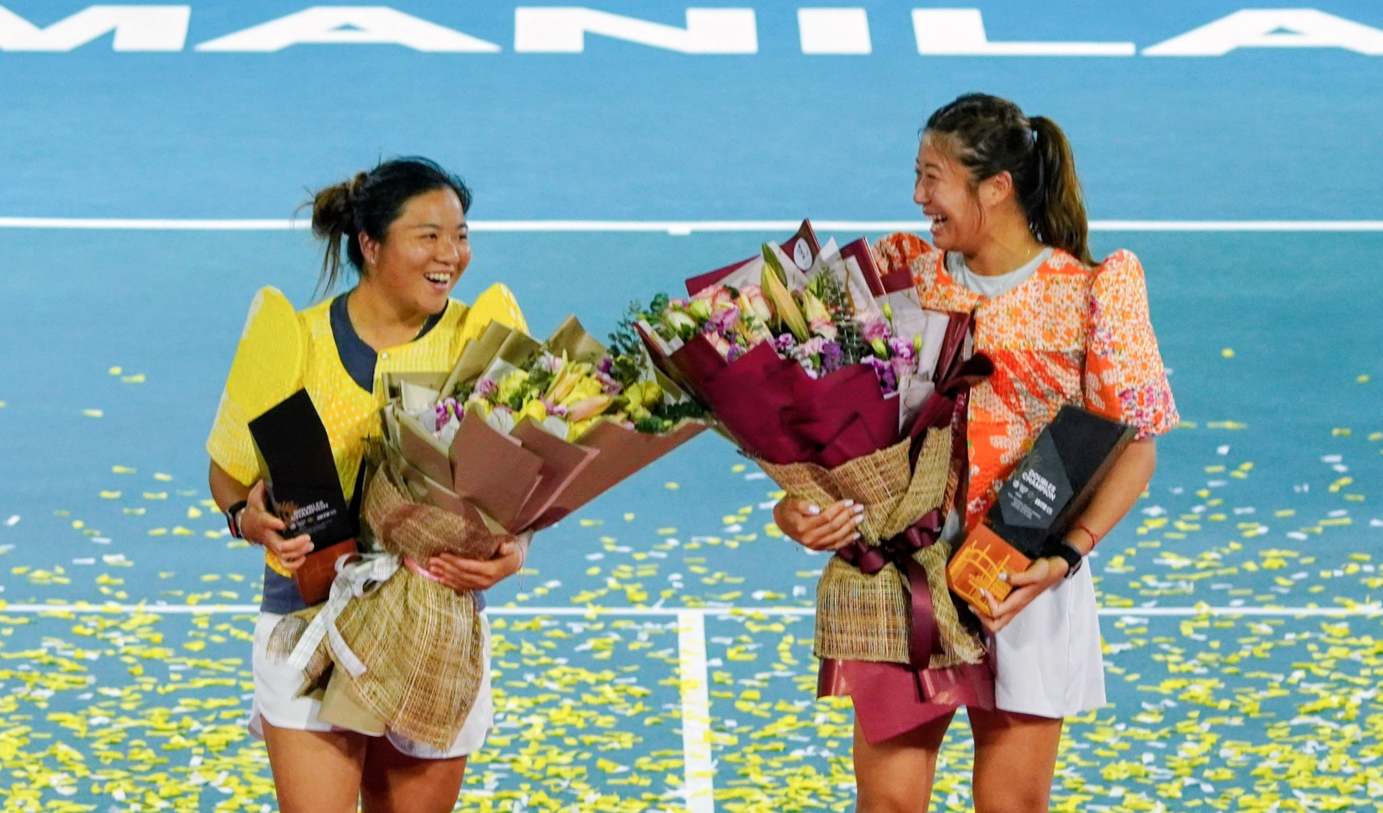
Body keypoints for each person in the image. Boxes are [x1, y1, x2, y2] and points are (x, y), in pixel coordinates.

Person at [774, 93, 1178, 812]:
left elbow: (1134, 450)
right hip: (902, 577)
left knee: (1010, 805)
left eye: (933, 177)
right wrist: (796, 505)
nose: (917, 195)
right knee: (889, 804)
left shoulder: (1091, 293)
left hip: (1020, 578)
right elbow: (824, 427)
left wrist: (1063, 557)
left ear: (995, 187)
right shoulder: (900, 276)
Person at [207, 157, 529, 813]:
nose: (451, 254)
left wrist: (513, 549)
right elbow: (229, 474)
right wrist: (247, 517)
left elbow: (514, 490)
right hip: (307, 619)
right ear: (370, 244)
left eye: (461, 234)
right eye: (429, 235)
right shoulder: (290, 340)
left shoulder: (485, 339)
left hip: (435, 623)